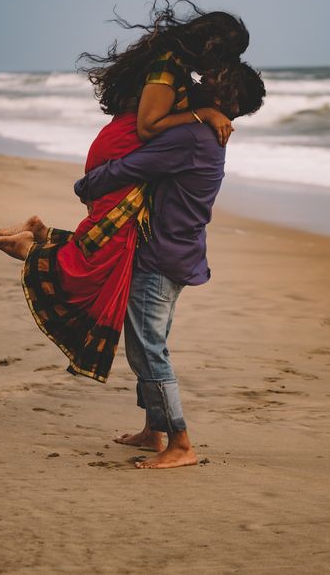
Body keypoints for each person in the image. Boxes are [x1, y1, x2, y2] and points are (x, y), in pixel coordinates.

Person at [0, 0, 249, 384]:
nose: (223, 67)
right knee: (104, 248)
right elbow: (148, 128)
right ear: (214, 48)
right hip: (124, 146)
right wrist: (204, 114)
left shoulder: (172, 64)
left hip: (121, 145)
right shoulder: (167, 68)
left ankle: (41, 236)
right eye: (227, 57)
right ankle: (33, 248)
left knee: (111, 237)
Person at [74, 62, 266, 468]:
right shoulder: (204, 131)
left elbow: (132, 166)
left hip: (160, 255)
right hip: (177, 250)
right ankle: (153, 431)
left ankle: (180, 443)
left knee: (147, 349)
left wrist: (86, 184)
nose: (200, 81)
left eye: (210, 79)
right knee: (149, 340)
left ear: (222, 98)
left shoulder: (193, 137)